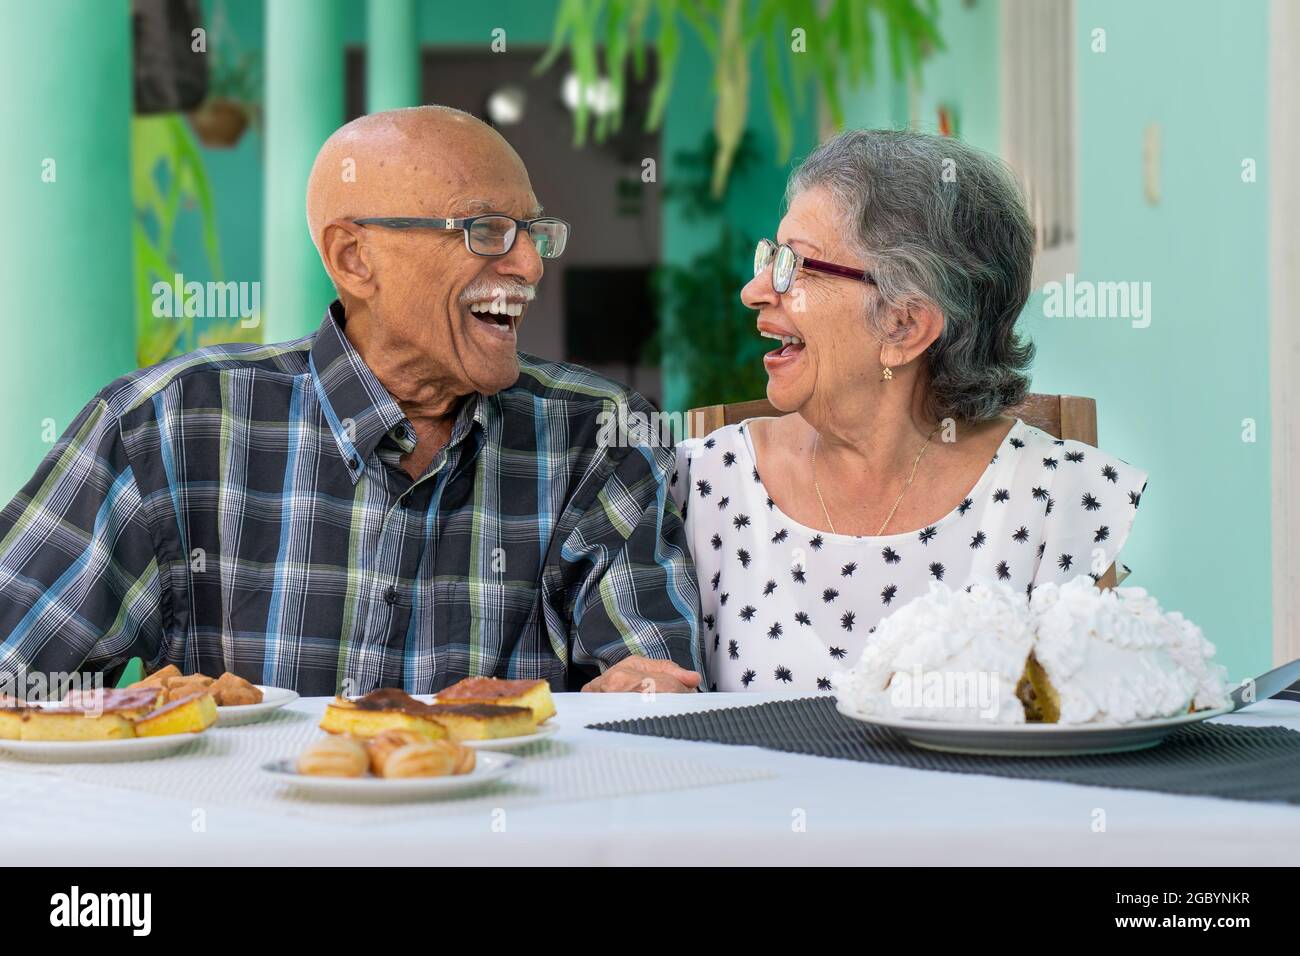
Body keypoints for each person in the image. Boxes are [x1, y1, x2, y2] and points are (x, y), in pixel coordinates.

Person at [0, 106, 703, 696]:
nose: (528, 265)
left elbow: (657, 696)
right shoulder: (166, 425)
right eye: (486, 231)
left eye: (533, 233)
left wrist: (620, 705)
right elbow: (14, 674)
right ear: (353, 259)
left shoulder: (598, 435)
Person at [671, 129, 1147, 693]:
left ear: (904, 325)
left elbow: (1087, 724)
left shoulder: (1057, 497)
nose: (754, 290)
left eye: (793, 266)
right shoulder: (701, 484)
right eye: (771, 257)